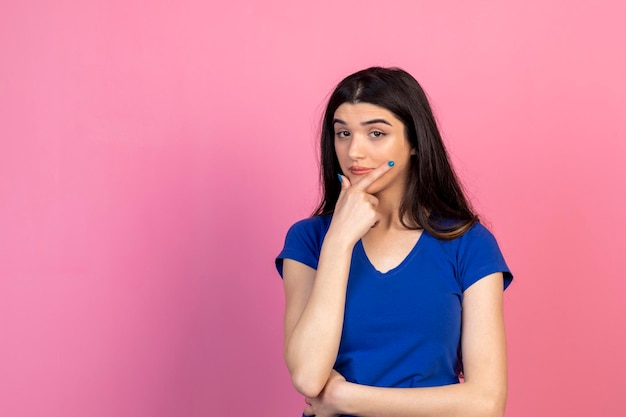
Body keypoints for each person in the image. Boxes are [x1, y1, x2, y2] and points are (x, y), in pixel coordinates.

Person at [275, 67, 513, 417]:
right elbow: (309, 377)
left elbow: (486, 403)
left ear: (414, 142)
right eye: (343, 133)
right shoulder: (309, 240)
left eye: (375, 133)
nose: (354, 150)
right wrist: (339, 240)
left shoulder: (468, 244)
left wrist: (344, 398)